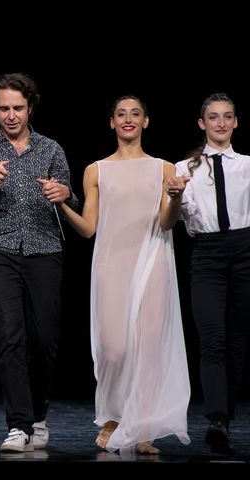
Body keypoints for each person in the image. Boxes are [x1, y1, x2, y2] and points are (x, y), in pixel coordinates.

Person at [57, 95, 191, 454]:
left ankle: (140, 429)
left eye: (135, 114)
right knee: (113, 349)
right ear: (111, 122)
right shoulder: (96, 170)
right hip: (111, 265)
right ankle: (113, 418)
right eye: (121, 114)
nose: (128, 119)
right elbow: (88, 228)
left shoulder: (164, 169)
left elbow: (166, 222)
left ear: (146, 121)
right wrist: (63, 204)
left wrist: (176, 197)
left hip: (152, 262)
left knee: (148, 349)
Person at [0, 73, 77, 453]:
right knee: (9, 338)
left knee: (44, 339)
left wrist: (64, 194)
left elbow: (69, 200)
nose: (10, 115)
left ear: (30, 108)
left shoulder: (50, 149)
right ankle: (18, 425)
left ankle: (38, 414)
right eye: (3, 109)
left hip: (45, 249)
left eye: (17, 108)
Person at [176, 92, 249, 455]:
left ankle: (226, 417)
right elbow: (176, 220)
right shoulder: (183, 169)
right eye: (214, 117)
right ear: (202, 123)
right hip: (207, 254)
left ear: (235, 122)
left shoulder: (248, 165)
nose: (221, 123)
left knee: (235, 342)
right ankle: (217, 419)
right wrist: (174, 196)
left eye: (228, 116)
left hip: (246, 251)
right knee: (212, 339)